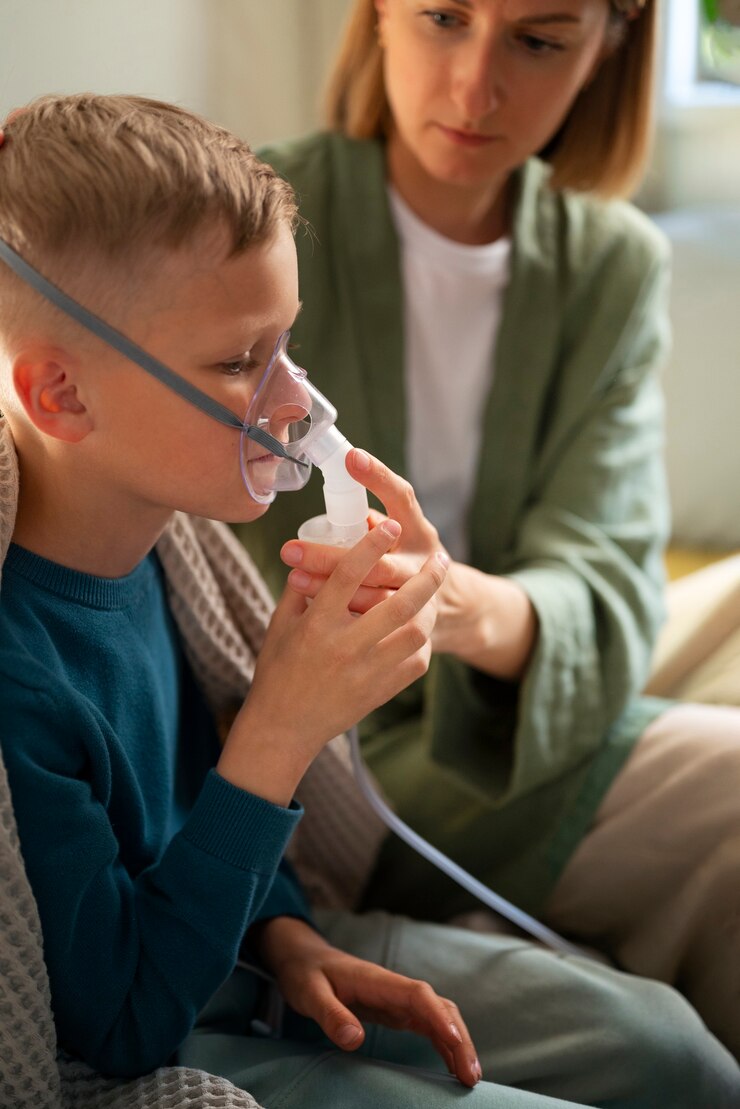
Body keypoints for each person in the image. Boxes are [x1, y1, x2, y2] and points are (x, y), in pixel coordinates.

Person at [0, 93, 738, 1109]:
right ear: (61, 396)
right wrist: (282, 725)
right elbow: (118, 1022)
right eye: (237, 362)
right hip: (162, 1032)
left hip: (259, 951)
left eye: (283, 344)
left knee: (672, 1055)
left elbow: (198, 829)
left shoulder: (169, 551)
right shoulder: (23, 676)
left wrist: (288, 935)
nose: (295, 402)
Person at [236, 0, 740, 1062]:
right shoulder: (244, 219)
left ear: (612, 41)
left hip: (503, 682)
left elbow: (598, 578)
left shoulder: (607, 264)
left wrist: (446, 596)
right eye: (441, 18)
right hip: (328, 754)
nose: (474, 88)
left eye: (537, 41)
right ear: (375, 14)